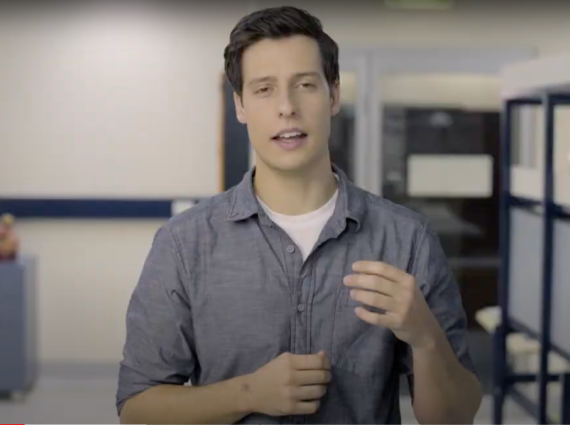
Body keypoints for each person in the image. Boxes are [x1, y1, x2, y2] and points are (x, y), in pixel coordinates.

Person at [116, 6, 482, 424]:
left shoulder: (406, 239)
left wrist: (426, 338)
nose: (286, 107)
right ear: (240, 106)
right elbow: (137, 409)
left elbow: (454, 417)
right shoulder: (184, 244)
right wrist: (248, 392)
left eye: (305, 85)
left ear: (333, 95)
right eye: (264, 89)